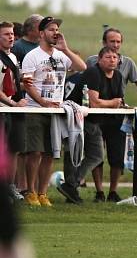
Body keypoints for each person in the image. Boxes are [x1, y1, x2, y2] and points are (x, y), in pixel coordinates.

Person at [20, 17, 87, 207]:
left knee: (50, 154)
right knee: (35, 152)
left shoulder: (61, 55)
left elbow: (82, 67)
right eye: (51, 29)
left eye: (57, 29)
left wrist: (65, 49)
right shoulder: (33, 56)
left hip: (56, 112)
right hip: (35, 110)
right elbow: (27, 83)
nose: (55, 32)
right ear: (41, 33)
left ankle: (43, 193)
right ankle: (30, 192)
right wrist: (42, 102)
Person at [85, 27, 137, 198]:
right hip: (96, 114)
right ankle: (99, 191)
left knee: (116, 154)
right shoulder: (92, 62)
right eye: (111, 41)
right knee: (97, 154)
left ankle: (113, 191)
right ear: (104, 43)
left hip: (116, 114)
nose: (115, 45)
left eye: (118, 42)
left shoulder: (127, 63)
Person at [56, 47, 126, 204]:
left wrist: (114, 104)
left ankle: (70, 185)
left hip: (95, 120)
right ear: (99, 60)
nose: (112, 59)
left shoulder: (119, 76)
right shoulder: (93, 73)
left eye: (115, 57)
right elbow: (94, 102)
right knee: (73, 153)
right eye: (108, 57)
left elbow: (119, 101)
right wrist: (113, 103)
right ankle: (71, 189)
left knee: (96, 155)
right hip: (77, 116)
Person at [10, 14, 42, 197]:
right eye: (41, 26)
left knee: (33, 149)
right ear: (31, 28)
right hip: (21, 101)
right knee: (20, 148)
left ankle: (30, 187)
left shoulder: (42, 48)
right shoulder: (19, 47)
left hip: (35, 102)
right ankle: (18, 185)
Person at [0, 22, 28, 201]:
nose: (11, 37)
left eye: (12, 34)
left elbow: (13, 84)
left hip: (14, 109)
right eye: (6, 34)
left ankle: (9, 186)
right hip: (4, 109)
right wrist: (12, 103)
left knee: (14, 148)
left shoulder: (14, 58)